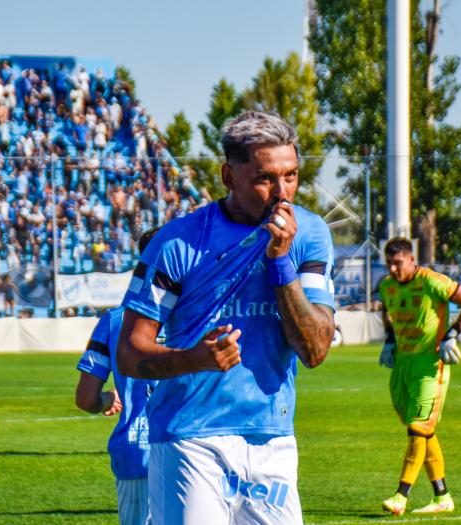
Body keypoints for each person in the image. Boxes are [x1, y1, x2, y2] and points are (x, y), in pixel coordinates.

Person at [117, 111, 336, 524]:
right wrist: (194, 359)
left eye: (291, 175)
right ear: (228, 176)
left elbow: (315, 348)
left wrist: (280, 261)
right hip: (189, 439)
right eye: (265, 178)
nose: (282, 192)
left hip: (272, 438)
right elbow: (129, 353)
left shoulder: (308, 233)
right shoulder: (177, 242)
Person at [377, 237, 461, 515]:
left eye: (398, 263)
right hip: (402, 367)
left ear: (412, 260)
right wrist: (389, 340)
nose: (393, 270)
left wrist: (452, 334)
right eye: (389, 263)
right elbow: (386, 310)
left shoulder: (433, 281)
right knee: (424, 432)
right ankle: (442, 496)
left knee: (417, 429)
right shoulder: (387, 286)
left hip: (429, 366)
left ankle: (401, 495)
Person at [74, 229, 159, 525]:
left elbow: (85, 399)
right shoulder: (198, 317)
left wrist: (106, 398)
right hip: (194, 450)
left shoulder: (115, 319)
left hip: (137, 451)